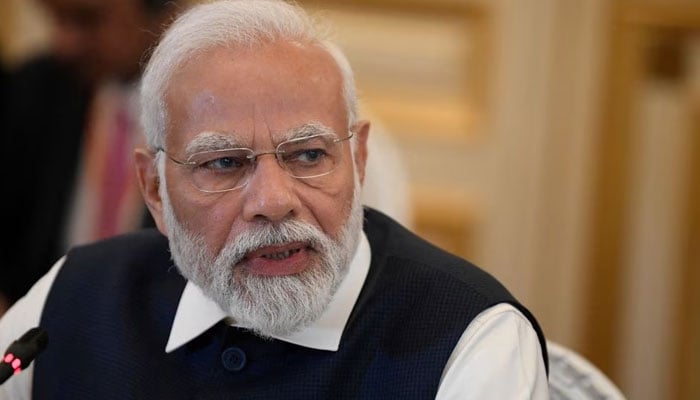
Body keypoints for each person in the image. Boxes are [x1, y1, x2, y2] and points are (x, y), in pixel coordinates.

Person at [0, 0, 550, 398]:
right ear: (155, 190)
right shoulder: (73, 298)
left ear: (357, 160)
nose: (273, 200)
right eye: (224, 163)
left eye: (308, 156)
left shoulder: (469, 340)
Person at [0, 0, 180, 312]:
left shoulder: (212, 108)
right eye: (58, 19)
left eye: (88, 20)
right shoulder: (37, 89)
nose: (65, 43)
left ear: (162, 11)